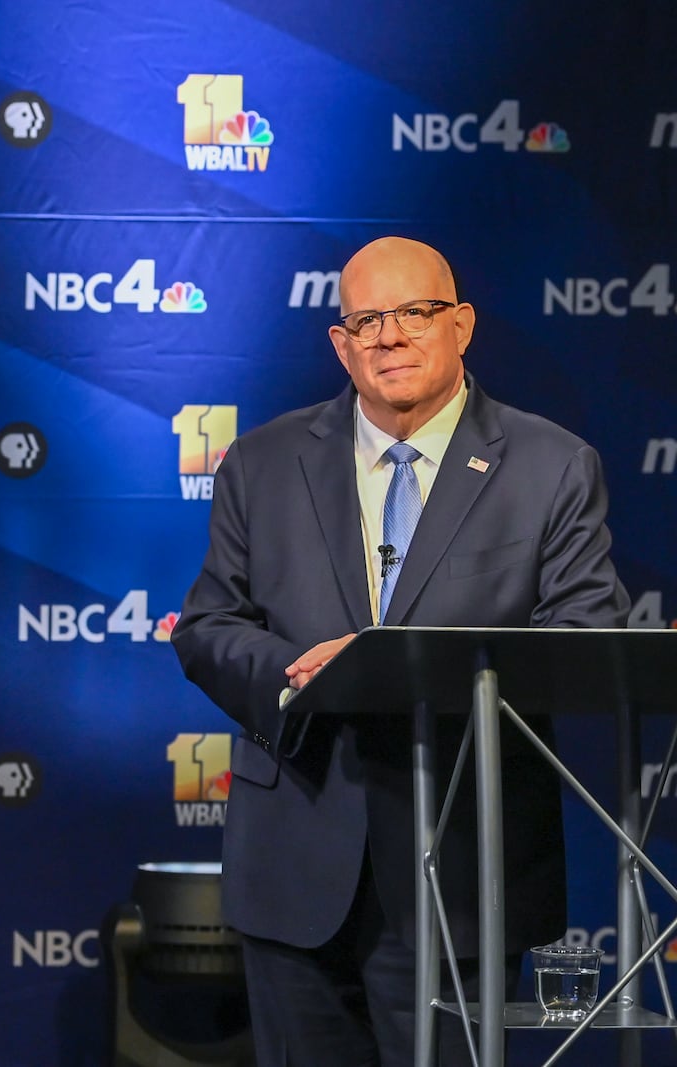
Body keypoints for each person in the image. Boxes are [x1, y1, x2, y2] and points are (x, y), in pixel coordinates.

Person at [170, 236, 629, 1065]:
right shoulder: (264, 462)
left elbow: (584, 640)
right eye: (367, 320)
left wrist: (395, 660)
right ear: (341, 344)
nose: (390, 336)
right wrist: (303, 674)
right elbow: (209, 625)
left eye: (414, 313)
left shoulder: (551, 466)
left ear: (461, 325)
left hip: (465, 873)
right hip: (295, 863)